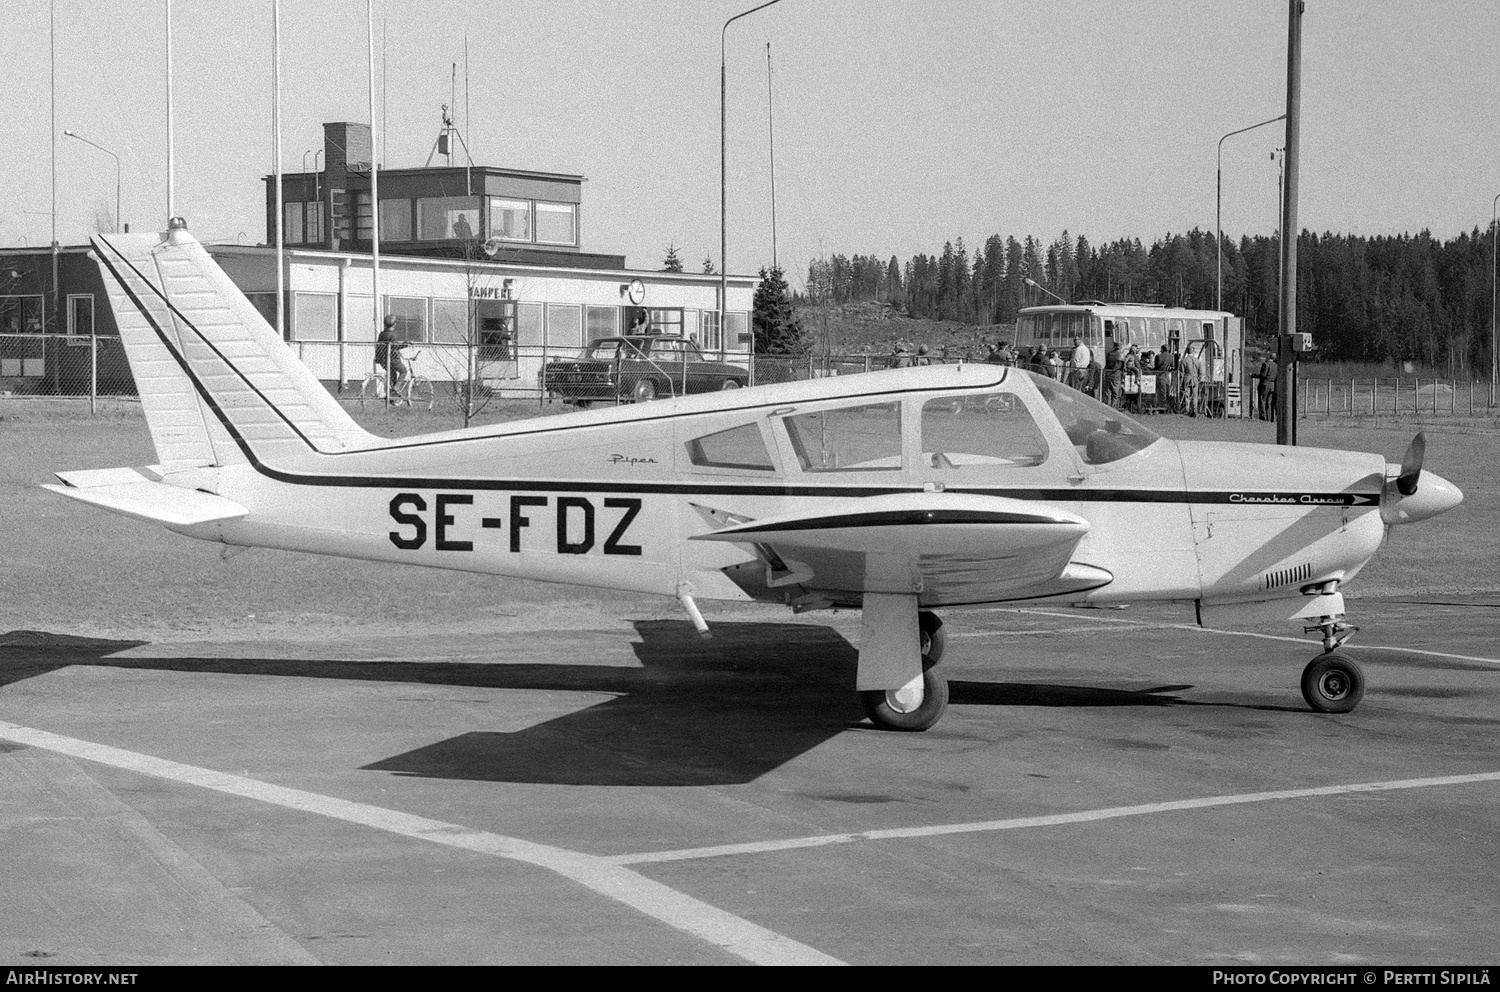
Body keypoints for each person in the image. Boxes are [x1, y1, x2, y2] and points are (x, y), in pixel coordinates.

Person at [375, 315, 410, 398]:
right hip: (392, 358)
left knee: (393, 373)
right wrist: (405, 344)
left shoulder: (382, 334)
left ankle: (393, 395)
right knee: (403, 371)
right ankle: (396, 388)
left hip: (382, 359)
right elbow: (394, 346)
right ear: (394, 325)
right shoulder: (392, 335)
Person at [1179, 347, 1203, 417]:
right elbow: (1200, 372)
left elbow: (1182, 373)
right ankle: (1195, 411)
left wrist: (1181, 383)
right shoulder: (1197, 361)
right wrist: (1198, 379)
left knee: (1187, 396)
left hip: (1187, 378)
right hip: (1195, 379)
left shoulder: (1183, 360)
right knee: (1195, 396)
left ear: (1187, 352)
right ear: (1193, 352)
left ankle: (1187, 410)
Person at [1258, 354, 1279, 421]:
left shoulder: (1266, 364)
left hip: (1265, 384)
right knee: (1269, 402)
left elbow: (1263, 375)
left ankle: (1263, 417)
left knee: (1262, 401)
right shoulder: (1276, 365)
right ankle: (1270, 417)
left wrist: (1253, 375)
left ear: (1268, 357)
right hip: (1272, 385)